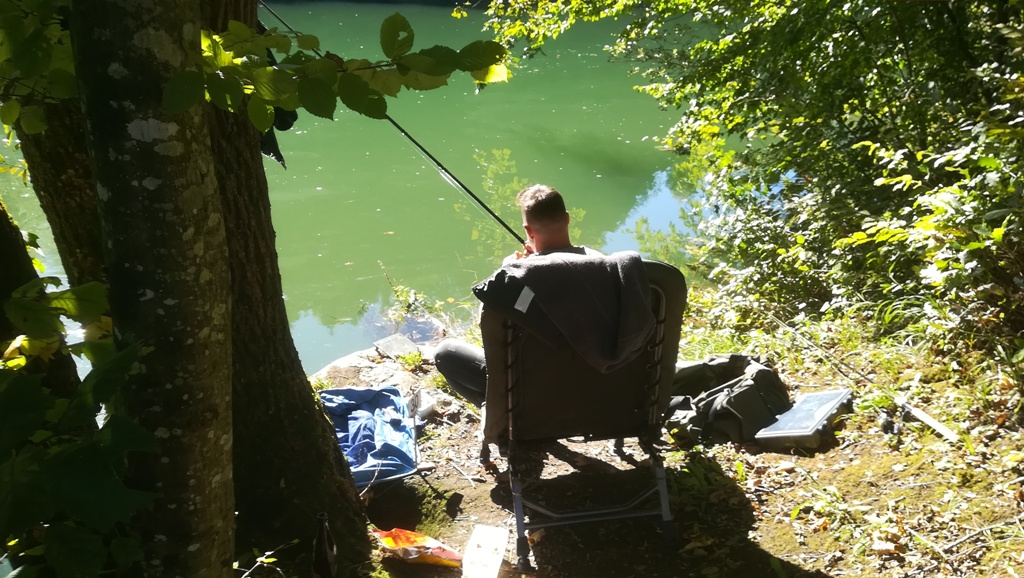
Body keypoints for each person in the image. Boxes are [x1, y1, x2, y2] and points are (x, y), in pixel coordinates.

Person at [432, 184, 601, 406]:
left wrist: (509, 270)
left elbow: (487, 326)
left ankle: (505, 416)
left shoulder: (514, 279)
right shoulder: (602, 265)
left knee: (445, 353)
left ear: (528, 231)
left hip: (532, 391)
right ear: (568, 219)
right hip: (595, 386)